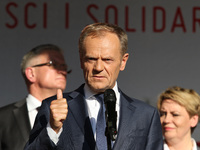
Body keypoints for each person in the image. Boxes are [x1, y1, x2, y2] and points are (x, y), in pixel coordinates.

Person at [24, 23, 163, 150]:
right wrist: (52, 129)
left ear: (123, 61)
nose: (98, 67)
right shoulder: (53, 107)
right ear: (81, 60)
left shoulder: (145, 115)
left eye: (107, 60)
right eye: (91, 59)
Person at [0, 44, 69, 150]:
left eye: (64, 66)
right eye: (53, 64)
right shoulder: (3, 118)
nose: (62, 71)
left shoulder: (77, 112)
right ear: (31, 73)